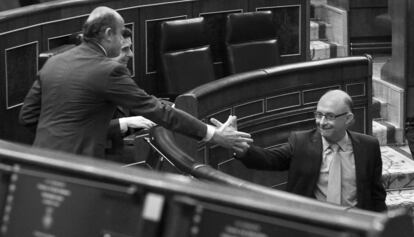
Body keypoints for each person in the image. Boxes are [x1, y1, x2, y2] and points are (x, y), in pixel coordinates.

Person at [19, 6, 252, 158]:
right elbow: (157, 111)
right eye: (122, 34)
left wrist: (63, 133)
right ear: (109, 34)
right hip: (79, 165)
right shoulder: (107, 69)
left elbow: (27, 117)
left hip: (41, 160)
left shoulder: (53, 63)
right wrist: (214, 135)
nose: (123, 40)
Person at [216, 89, 387, 212]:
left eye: (329, 116)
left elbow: (376, 195)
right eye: (318, 115)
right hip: (313, 226)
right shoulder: (301, 142)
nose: (321, 122)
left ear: (348, 119)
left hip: (354, 225)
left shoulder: (368, 147)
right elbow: (269, 159)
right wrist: (241, 147)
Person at [105, 27, 156, 162]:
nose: (131, 54)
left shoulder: (119, 75)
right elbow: (82, 129)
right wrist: (125, 122)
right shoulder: (87, 82)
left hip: (119, 150)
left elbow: (143, 102)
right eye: (125, 49)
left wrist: (175, 106)